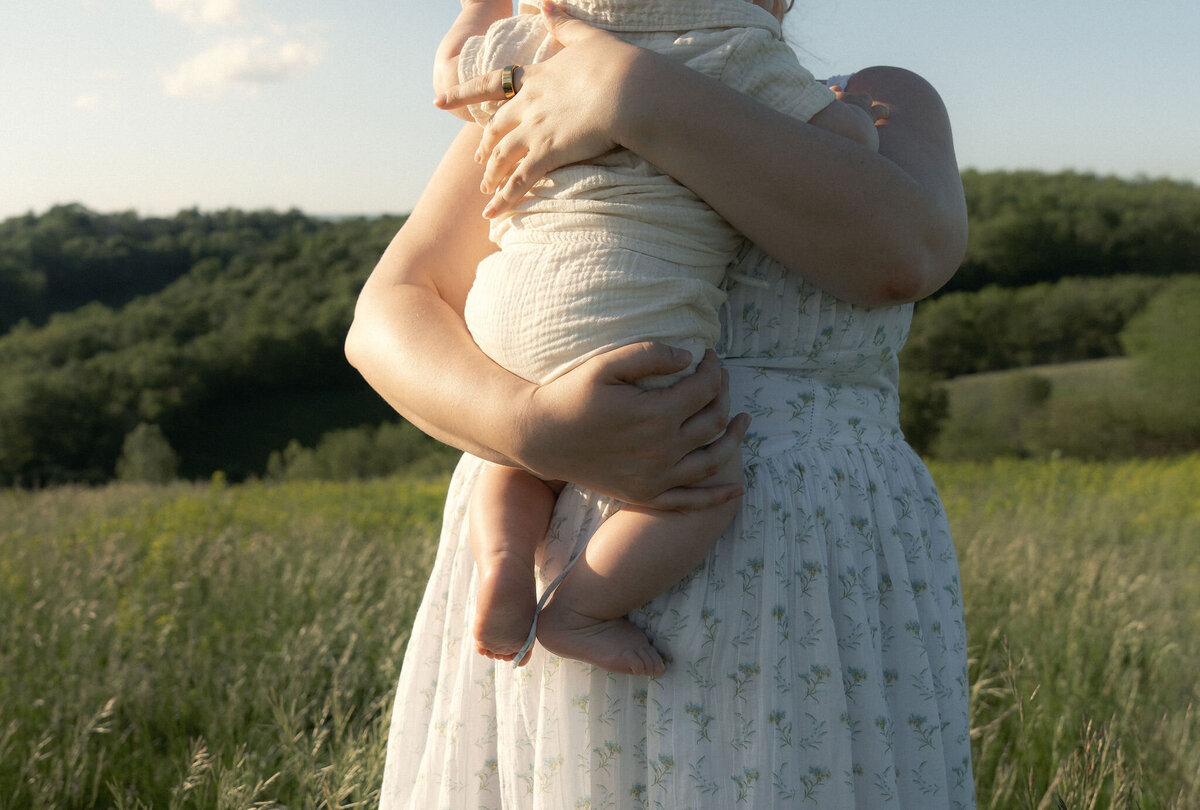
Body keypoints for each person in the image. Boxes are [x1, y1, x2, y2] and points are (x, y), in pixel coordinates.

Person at [346, 2, 974, 806]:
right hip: (555, 557)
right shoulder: (540, 89)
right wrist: (526, 428)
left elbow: (902, 253)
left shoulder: (879, 99)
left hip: (812, 585)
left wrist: (626, 88)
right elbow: (388, 313)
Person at [435, 0, 882, 676]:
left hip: (500, 303)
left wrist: (484, 11)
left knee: (515, 458)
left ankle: (502, 561)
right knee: (699, 483)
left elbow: (449, 77)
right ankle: (581, 609)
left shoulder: (542, 39)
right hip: (618, 311)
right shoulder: (735, 51)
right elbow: (852, 152)